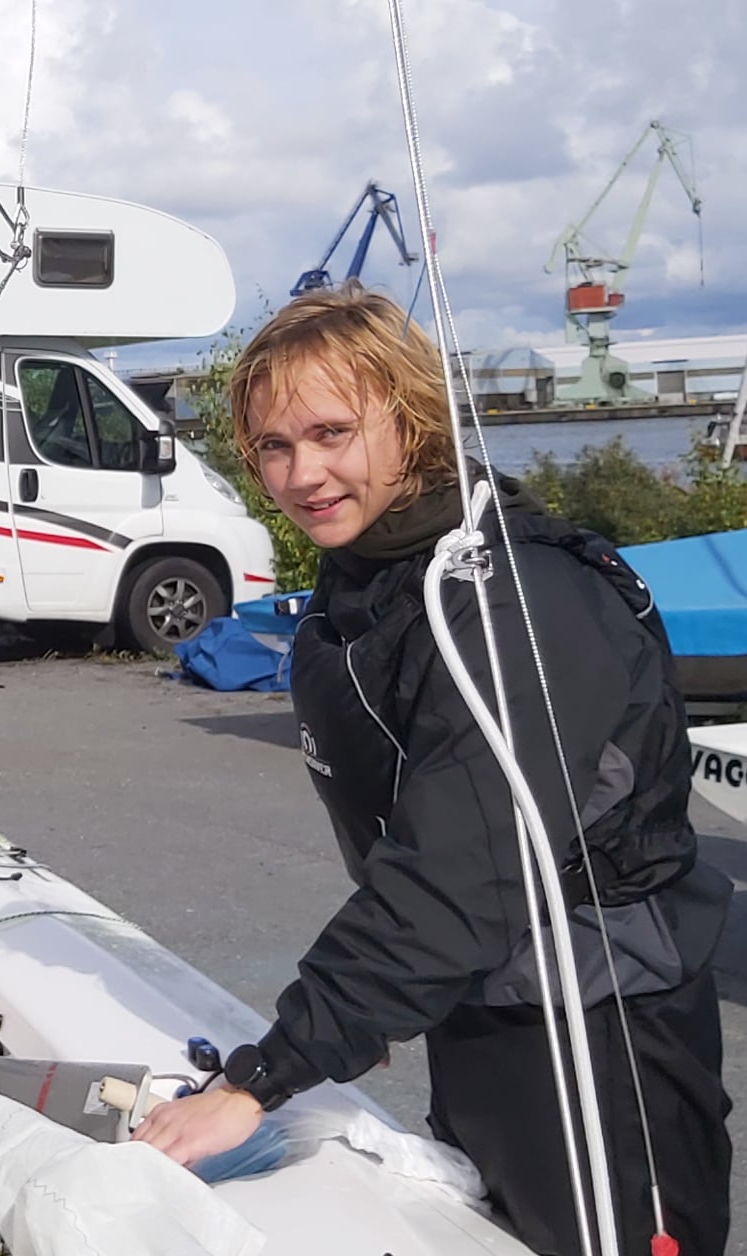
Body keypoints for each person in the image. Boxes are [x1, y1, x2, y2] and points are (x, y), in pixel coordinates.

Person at [132, 287, 731, 1256]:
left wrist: (263, 1079)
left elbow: (460, 872)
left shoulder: (514, 606)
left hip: (600, 1037)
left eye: (331, 433)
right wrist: (364, 1016)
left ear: (412, 418)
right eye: (274, 446)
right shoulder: (371, 587)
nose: (302, 474)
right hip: (481, 1008)